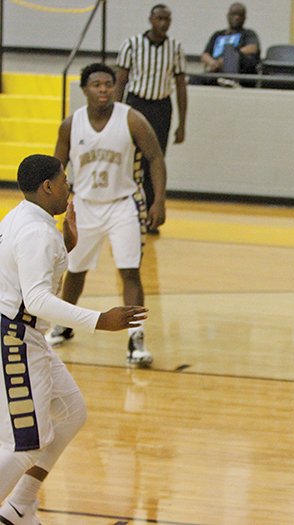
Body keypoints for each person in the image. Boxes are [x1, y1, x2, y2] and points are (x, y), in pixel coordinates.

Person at [0, 154, 147, 525]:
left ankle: (20, 505)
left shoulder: (23, 218)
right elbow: (35, 299)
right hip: (14, 338)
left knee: (70, 413)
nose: (69, 186)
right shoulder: (35, 230)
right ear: (48, 186)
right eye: (64, 180)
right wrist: (100, 320)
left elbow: (25, 271)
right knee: (24, 446)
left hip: (25, 335)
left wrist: (64, 246)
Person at [46, 63, 166, 368]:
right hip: (84, 205)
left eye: (108, 84)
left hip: (123, 204)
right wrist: (50, 207)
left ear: (114, 87)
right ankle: (65, 322)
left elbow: (155, 157)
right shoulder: (71, 125)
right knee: (74, 270)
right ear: (84, 88)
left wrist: (159, 201)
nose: (103, 89)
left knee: (129, 270)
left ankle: (136, 338)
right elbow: (56, 169)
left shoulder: (131, 119)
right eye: (96, 84)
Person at [115, 3, 186, 235]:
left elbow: (181, 86)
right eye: (159, 18)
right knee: (133, 161)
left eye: (167, 19)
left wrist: (182, 123)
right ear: (150, 19)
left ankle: (150, 214)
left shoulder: (175, 48)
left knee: (156, 160)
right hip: (136, 104)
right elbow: (121, 81)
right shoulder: (131, 45)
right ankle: (128, 213)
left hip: (161, 108)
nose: (163, 23)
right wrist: (115, 113)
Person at [200, 2, 261, 87]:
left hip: (239, 73)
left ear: (244, 18)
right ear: (228, 16)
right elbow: (205, 54)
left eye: (240, 15)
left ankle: (228, 79)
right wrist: (213, 63)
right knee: (193, 79)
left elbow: (253, 48)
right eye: (234, 14)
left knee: (229, 50)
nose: (236, 17)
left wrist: (229, 57)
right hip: (216, 71)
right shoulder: (218, 34)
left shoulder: (248, 33)